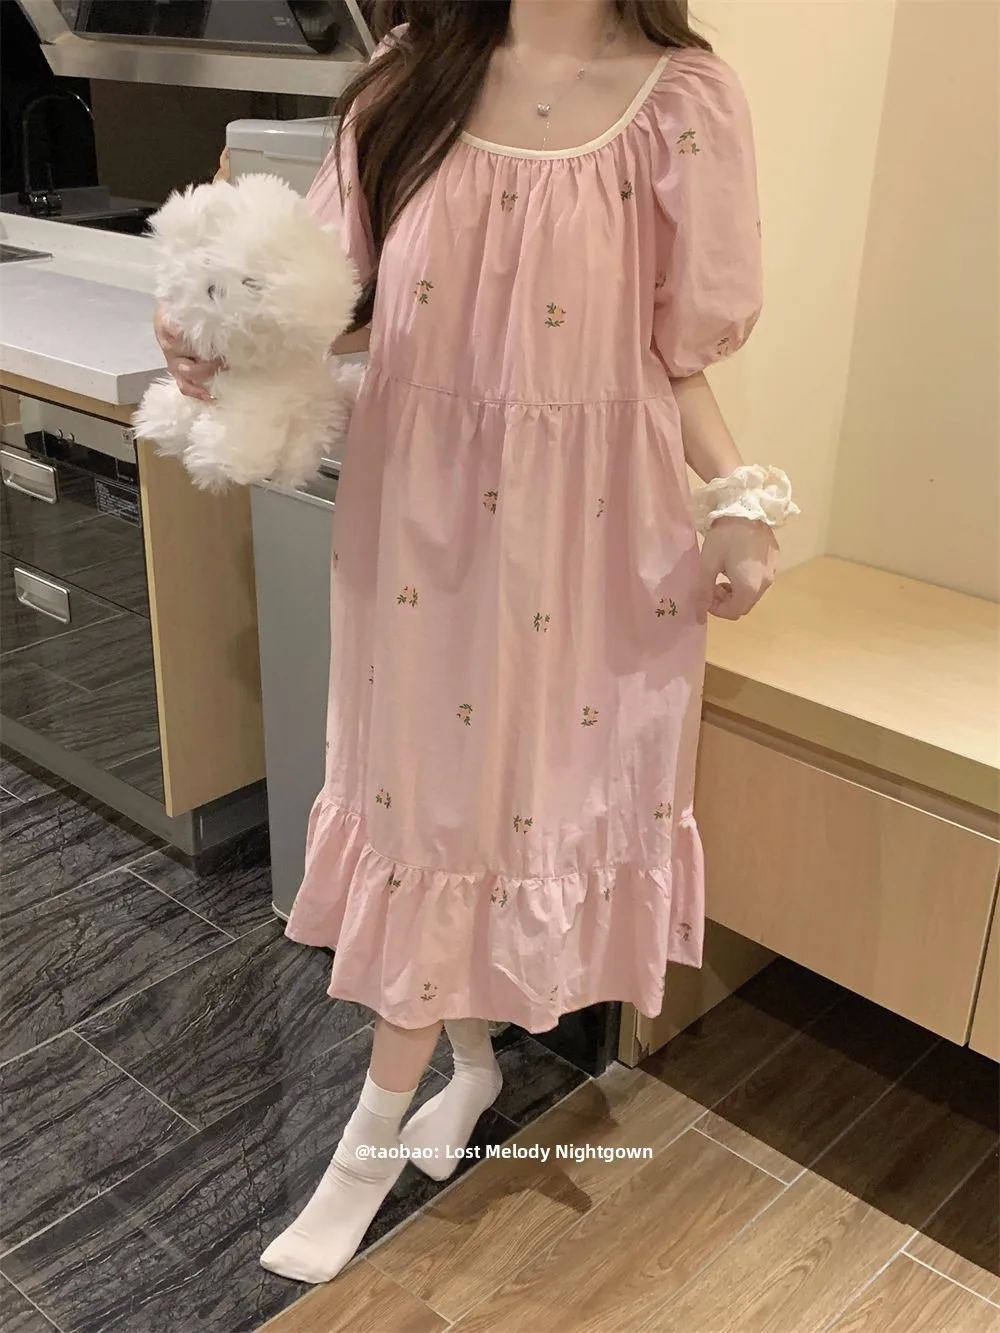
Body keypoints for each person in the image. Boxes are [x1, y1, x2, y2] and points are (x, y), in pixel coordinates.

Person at [154, 0, 798, 1287]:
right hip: (425, 519)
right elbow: (336, 309)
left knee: (515, 803)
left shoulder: (682, 103)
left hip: (590, 524)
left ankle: (394, 1128)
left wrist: (737, 501)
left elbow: (673, 355)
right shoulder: (412, 77)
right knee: (429, 808)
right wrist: (218, 338)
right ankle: (443, 1080)